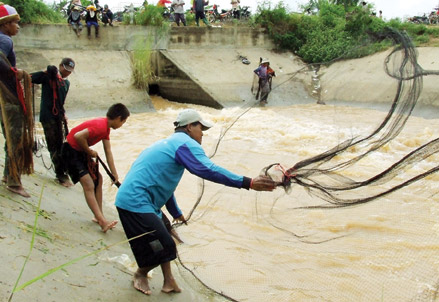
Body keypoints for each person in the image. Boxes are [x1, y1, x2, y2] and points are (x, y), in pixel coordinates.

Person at [115, 108, 276, 295]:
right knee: (165, 244)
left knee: (167, 232)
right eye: (201, 129)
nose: (202, 134)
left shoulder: (171, 143)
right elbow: (207, 169)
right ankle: (140, 274)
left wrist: (175, 213)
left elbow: (164, 185)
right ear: (190, 127)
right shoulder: (184, 144)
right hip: (134, 202)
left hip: (143, 201)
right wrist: (248, 182)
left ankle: (169, 281)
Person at [62, 103, 130, 232]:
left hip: (80, 152)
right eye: (124, 122)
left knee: (98, 179)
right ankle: (102, 221)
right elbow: (78, 136)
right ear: (119, 118)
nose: (122, 125)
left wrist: (114, 174)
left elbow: (108, 151)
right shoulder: (100, 126)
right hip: (70, 151)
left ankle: (98, 216)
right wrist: (89, 151)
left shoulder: (106, 128)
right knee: (88, 185)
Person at [0, 2, 34, 198]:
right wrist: (16, 72)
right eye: (15, 22)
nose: (18, 26)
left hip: (3, 97)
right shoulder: (5, 41)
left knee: (10, 137)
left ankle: (8, 175)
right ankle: (14, 182)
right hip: (9, 97)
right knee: (16, 139)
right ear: (5, 25)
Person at [31, 58, 75, 187]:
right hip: (48, 117)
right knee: (53, 145)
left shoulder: (66, 84)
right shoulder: (49, 76)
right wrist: (46, 71)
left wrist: (64, 115)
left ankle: (63, 172)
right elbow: (31, 77)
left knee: (60, 144)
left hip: (58, 117)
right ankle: (61, 175)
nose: (67, 73)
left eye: (70, 71)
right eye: (66, 69)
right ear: (61, 66)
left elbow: (61, 102)